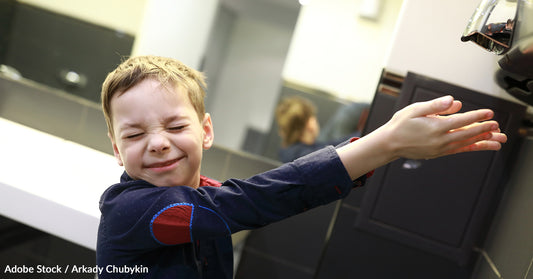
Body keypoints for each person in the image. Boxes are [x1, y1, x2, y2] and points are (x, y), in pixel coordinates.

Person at [96, 55, 506, 279]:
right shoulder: (128, 213)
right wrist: (388, 142)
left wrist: (387, 147)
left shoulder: (205, 194)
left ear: (205, 130)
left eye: (175, 125)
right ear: (117, 150)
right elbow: (243, 204)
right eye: (134, 135)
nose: (158, 142)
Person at [275, 96, 369, 162]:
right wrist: (366, 133)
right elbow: (337, 148)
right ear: (310, 124)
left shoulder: (290, 151)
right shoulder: (305, 155)